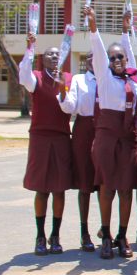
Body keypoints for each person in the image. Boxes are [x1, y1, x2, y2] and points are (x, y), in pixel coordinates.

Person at [84, 5, 137, 260]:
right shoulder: (104, 78)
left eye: (121, 58)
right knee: (107, 188)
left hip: (128, 139)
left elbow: (129, 51)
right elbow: (97, 49)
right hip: (107, 139)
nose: (117, 61)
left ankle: (122, 235)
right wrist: (93, 26)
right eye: (113, 58)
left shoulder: (133, 82)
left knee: (126, 189)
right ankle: (105, 235)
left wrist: (126, 31)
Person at [19, 33, 73, 255]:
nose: (53, 57)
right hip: (40, 139)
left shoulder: (68, 79)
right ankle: (40, 235)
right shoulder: (36, 78)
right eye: (49, 54)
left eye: (57, 54)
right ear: (43, 59)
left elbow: (70, 108)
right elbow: (23, 75)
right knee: (42, 190)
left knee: (59, 189)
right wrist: (30, 49)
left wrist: (62, 88)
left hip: (61, 138)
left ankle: (55, 235)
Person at [57, 50, 97, 252]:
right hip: (84, 130)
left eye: (96, 57)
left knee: (106, 184)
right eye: (88, 58)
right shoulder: (79, 80)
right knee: (85, 184)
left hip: (105, 129)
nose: (92, 60)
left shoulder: (109, 78)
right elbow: (70, 106)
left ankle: (106, 228)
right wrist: (62, 93)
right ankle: (84, 232)